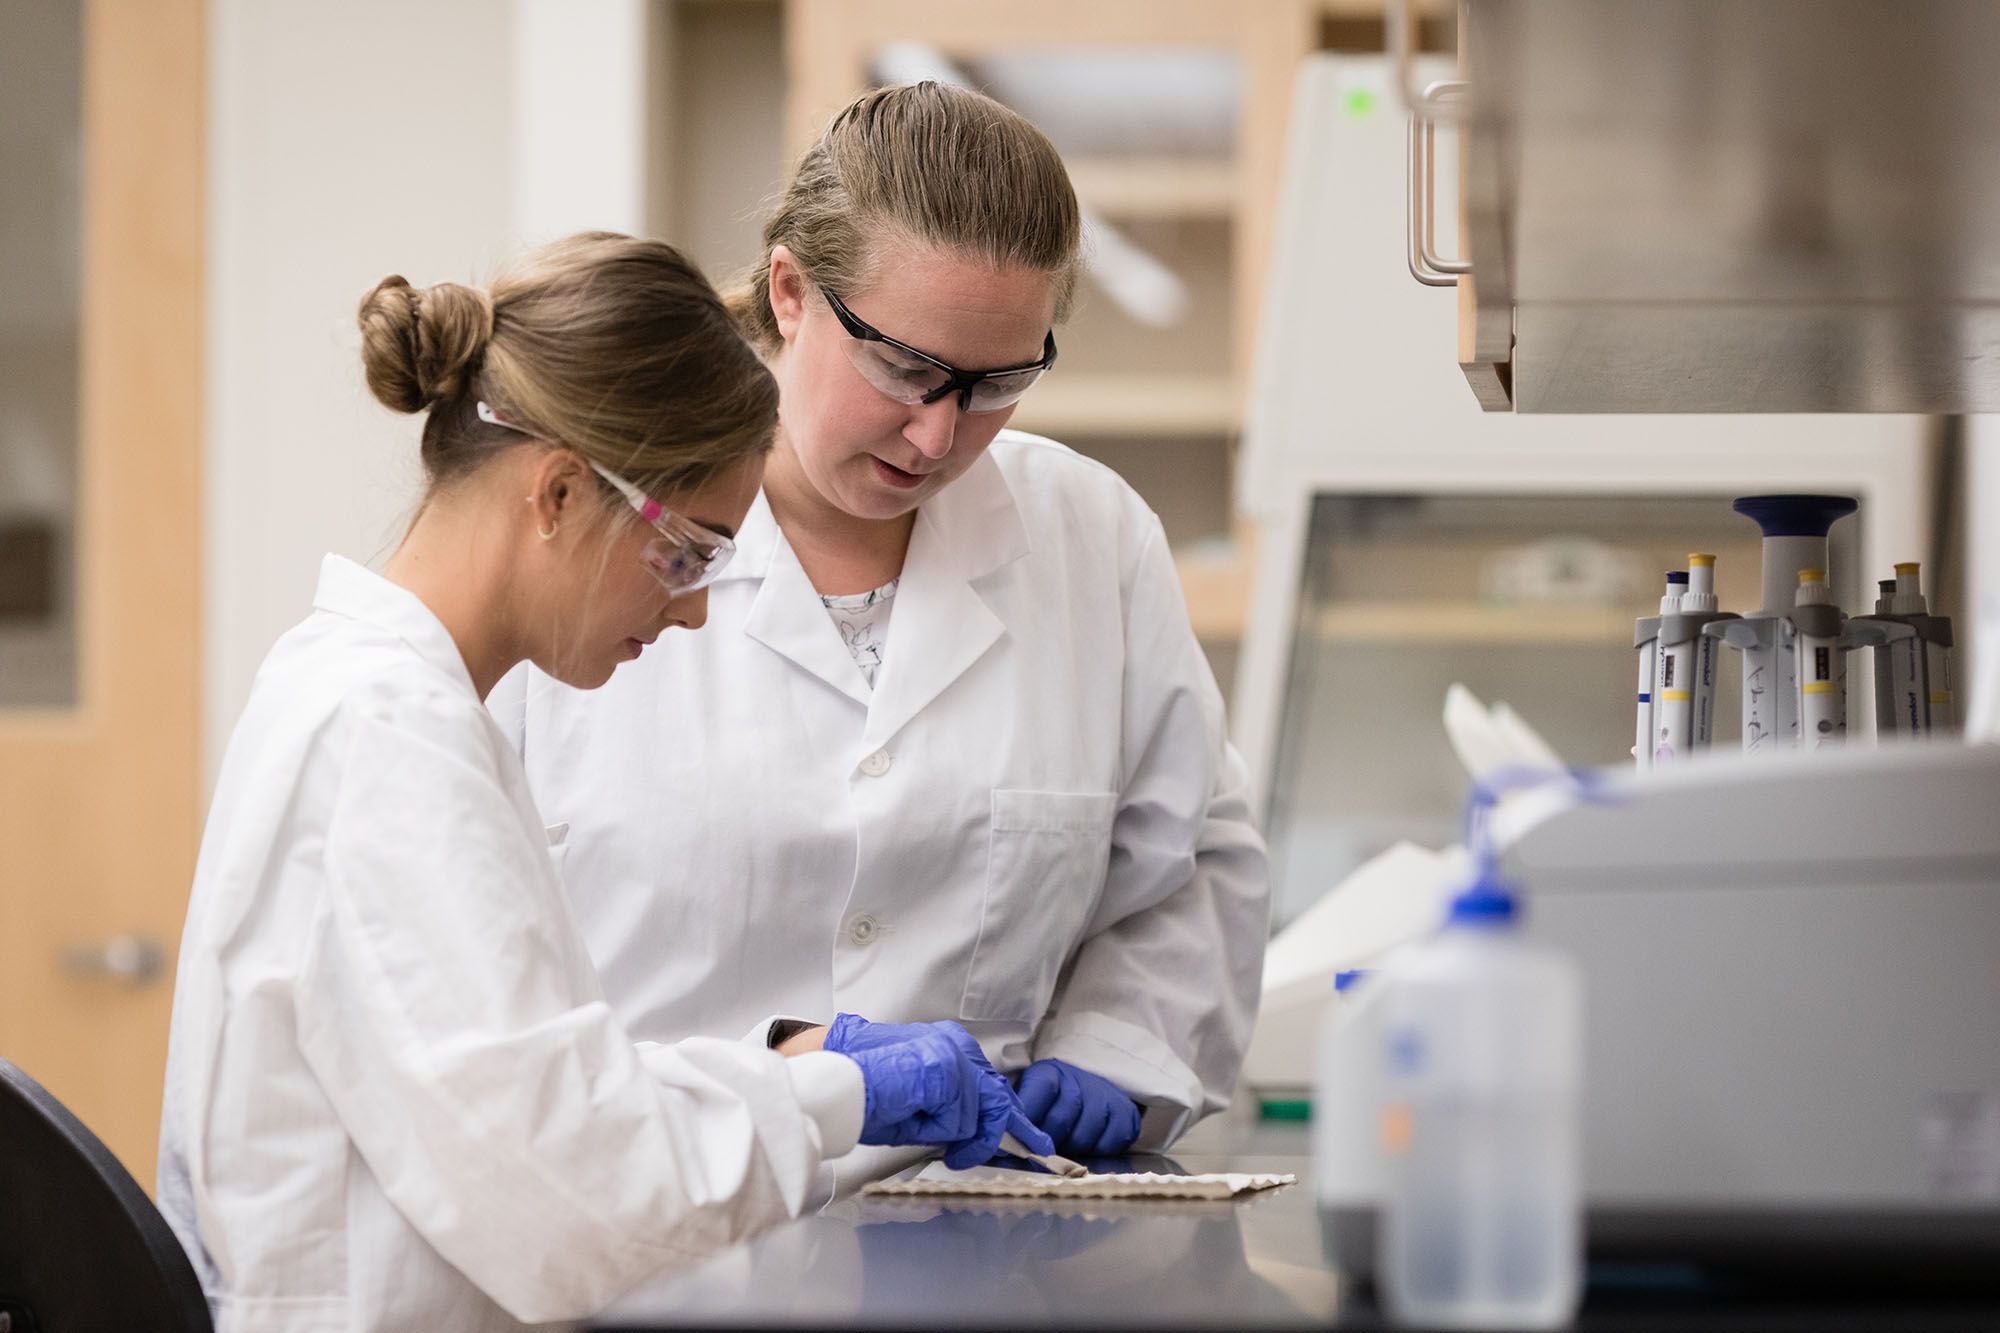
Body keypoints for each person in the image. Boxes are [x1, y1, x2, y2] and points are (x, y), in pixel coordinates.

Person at [156, 232, 1050, 1333]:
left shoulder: (377, 698)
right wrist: (842, 1097)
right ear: (561, 493)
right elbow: (580, 1208)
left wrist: (787, 1071)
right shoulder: (386, 739)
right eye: (688, 552)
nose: (693, 610)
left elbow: (539, 1105)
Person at [489, 84, 1269, 1171]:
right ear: (791, 291)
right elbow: (480, 990)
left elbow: (1192, 859)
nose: (939, 431)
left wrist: (1118, 1044)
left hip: (978, 1225)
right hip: (657, 1211)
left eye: (997, 381)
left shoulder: (1088, 538)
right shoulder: (599, 536)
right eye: (905, 367)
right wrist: (794, 1076)